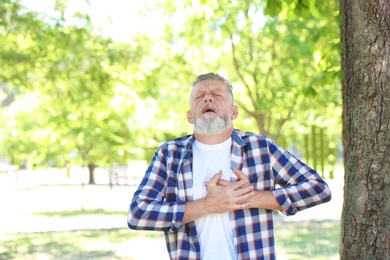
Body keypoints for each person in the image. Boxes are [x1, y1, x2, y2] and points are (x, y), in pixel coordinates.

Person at [128, 72, 332, 260]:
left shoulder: (261, 148)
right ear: (190, 115)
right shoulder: (169, 154)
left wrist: (251, 198)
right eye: (200, 96)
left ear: (234, 112)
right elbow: (138, 213)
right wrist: (209, 205)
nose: (208, 98)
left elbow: (318, 188)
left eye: (217, 94)